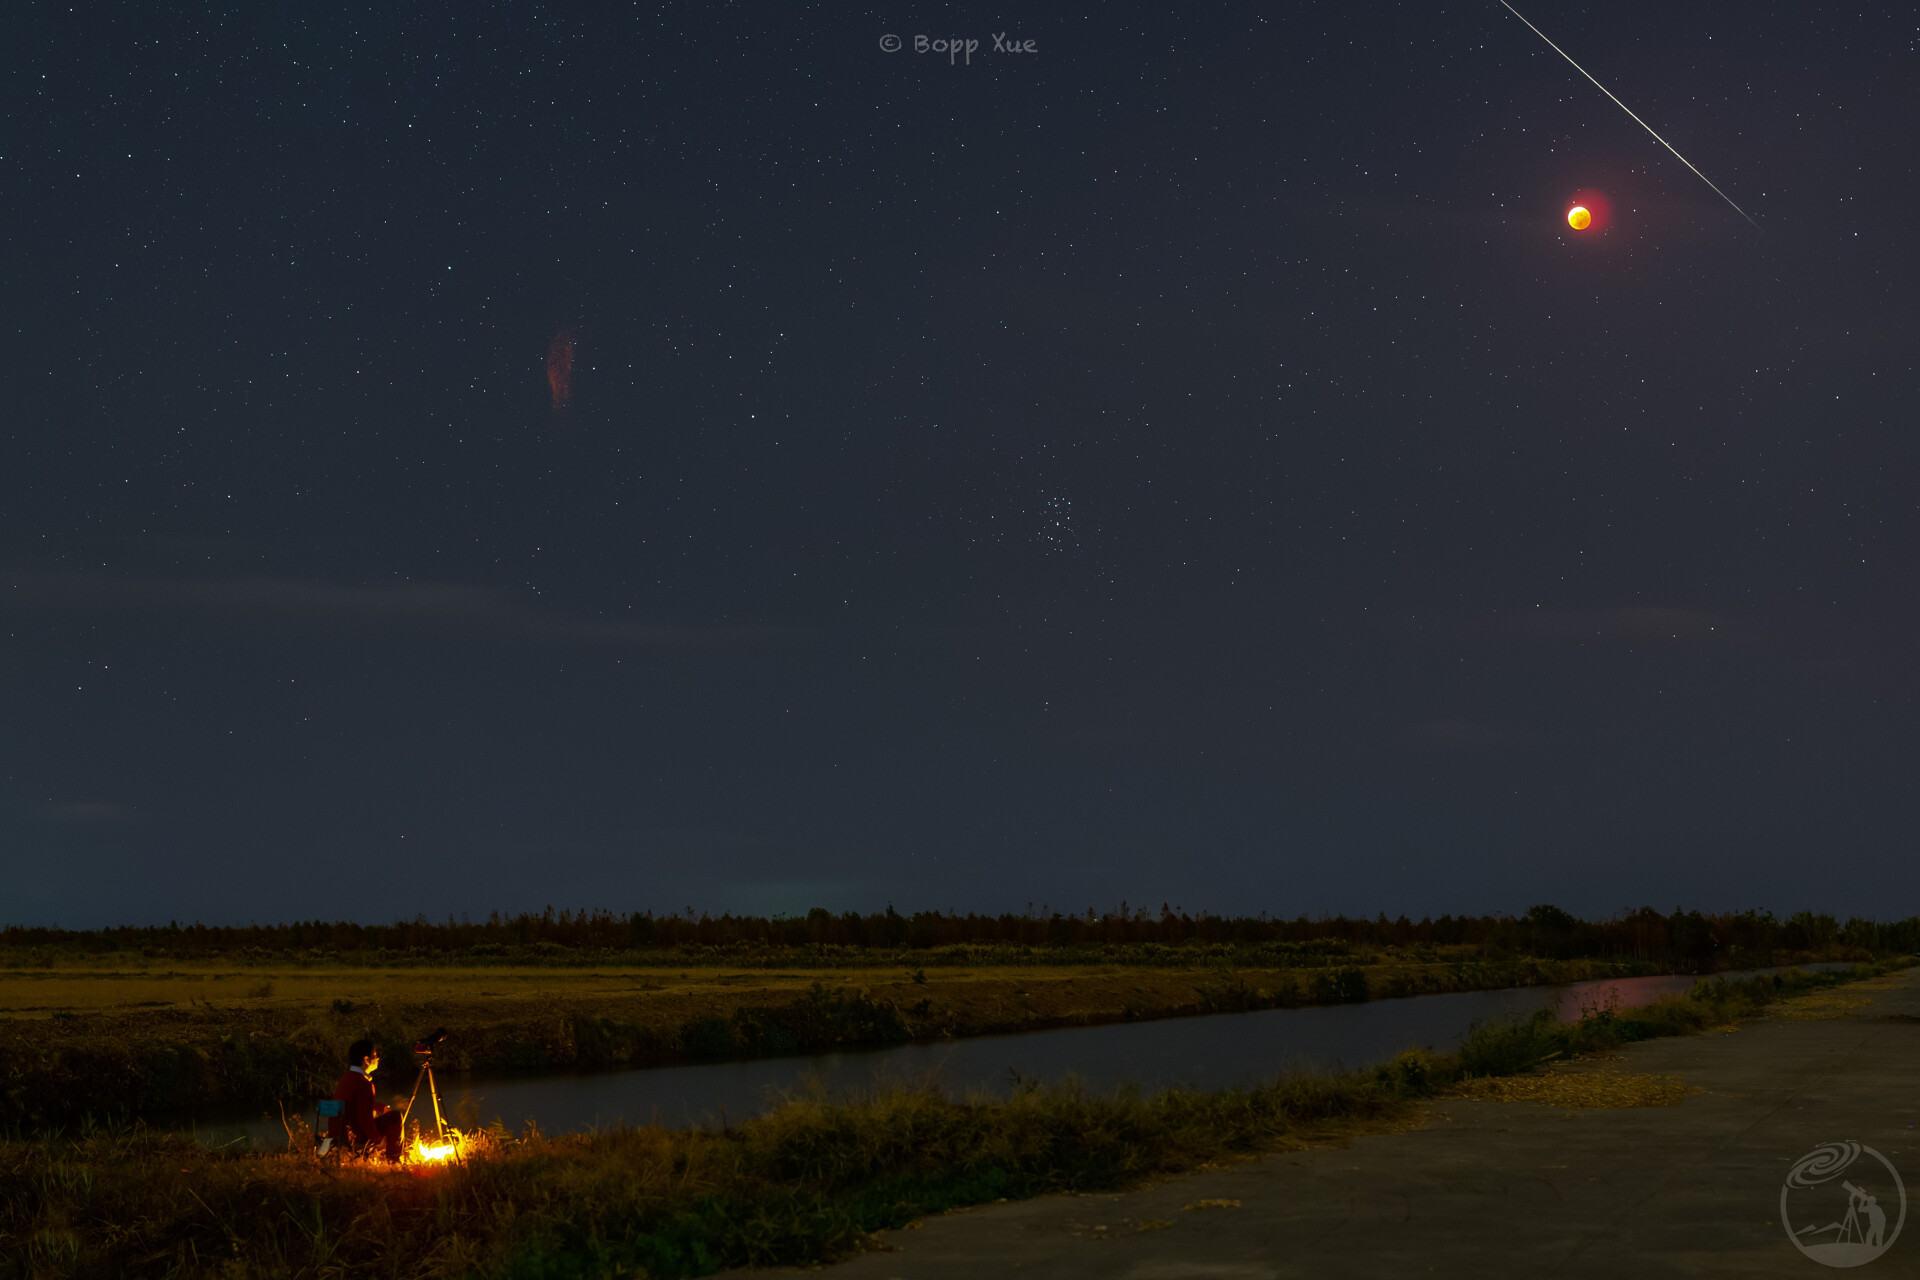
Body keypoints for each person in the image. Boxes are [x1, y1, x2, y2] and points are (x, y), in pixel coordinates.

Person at [326, 1038, 403, 1161]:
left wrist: (380, 1107)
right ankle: (393, 1159)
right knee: (395, 1116)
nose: (378, 1058)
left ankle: (389, 1156)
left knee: (381, 1115)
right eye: (375, 1055)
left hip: (336, 1133)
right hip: (355, 1135)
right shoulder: (363, 1083)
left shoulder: (346, 1078)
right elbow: (365, 1119)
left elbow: (356, 1104)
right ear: (366, 1060)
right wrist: (378, 1140)